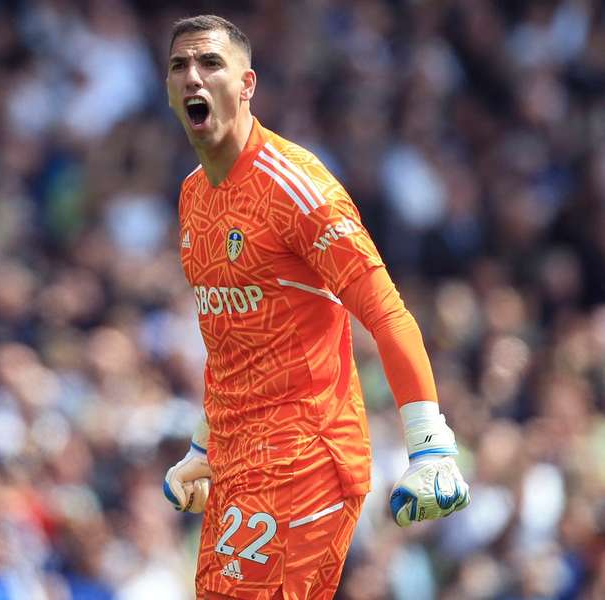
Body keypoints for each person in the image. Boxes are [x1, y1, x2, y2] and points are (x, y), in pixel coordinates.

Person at [161, 15, 470, 600]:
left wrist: (430, 444)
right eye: (179, 66)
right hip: (239, 459)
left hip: (307, 454)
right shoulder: (192, 196)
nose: (193, 76)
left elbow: (386, 313)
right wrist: (203, 449)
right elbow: (232, 339)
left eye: (210, 63)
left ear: (247, 84)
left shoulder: (296, 187)